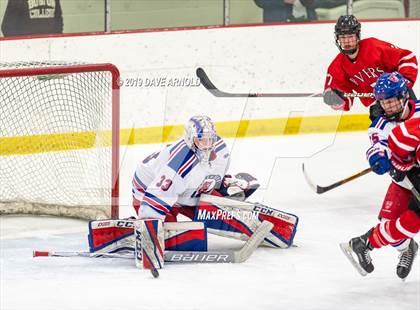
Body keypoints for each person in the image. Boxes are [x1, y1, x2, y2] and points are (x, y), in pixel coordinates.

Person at [341, 72, 419, 279]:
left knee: (409, 223)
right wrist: (377, 158)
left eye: (392, 101)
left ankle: (365, 242)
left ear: (404, 97)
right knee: (390, 227)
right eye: (383, 102)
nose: (387, 107)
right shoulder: (380, 125)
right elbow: (377, 146)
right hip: (404, 180)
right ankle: (408, 248)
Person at [132, 115, 259, 221]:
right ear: (190, 139)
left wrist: (220, 184)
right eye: (201, 140)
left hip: (184, 188)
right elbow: (158, 195)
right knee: (171, 235)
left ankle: (225, 191)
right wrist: (149, 226)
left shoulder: (220, 149)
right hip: (148, 192)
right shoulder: (180, 163)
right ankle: (135, 227)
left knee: (217, 214)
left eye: (210, 139)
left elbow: (211, 172)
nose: (207, 145)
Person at [323, 15, 418, 120]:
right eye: (343, 37)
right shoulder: (336, 67)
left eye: (350, 36)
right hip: (378, 106)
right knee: (384, 134)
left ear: (358, 36)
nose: (347, 42)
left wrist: (403, 83)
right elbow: (345, 101)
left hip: (401, 97)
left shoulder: (374, 47)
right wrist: (335, 99)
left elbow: (406, 57)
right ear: (338, 39)